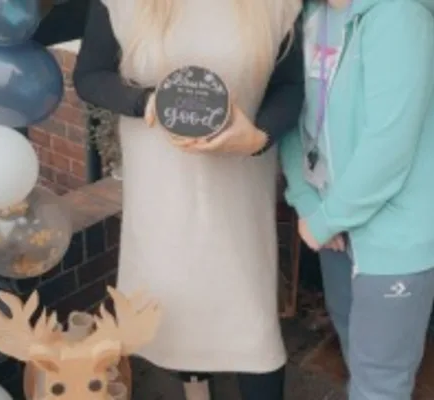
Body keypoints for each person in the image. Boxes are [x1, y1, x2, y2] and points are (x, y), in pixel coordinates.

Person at [73, 0, 304, 399]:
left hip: (237, 200)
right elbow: (89, 76)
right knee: (176, 316)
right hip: (160, 197)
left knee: (252, 329)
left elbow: (291, 86)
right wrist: (147, 101)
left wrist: (259, 136)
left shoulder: (275, 6)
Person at [279, 0, 434, 399]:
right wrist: (309, 203)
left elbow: (388, 148)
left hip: (395, 233)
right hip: (332, 222)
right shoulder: (311, 15)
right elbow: (291, 112)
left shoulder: (401, 18)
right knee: (355, 350)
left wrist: (326, 219)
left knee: (379, 380)